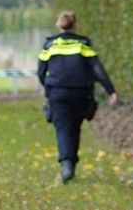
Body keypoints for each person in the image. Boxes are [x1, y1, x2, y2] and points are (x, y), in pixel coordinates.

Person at [37, 10, 118, 182]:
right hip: (81, 94)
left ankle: (66, 164)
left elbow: (40, 72)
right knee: (75, 128)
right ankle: (71, 165)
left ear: (59, 24)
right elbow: (98, 70)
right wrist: (110, 90)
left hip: (58, 93)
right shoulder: (83, 44)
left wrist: (47, 89)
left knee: (63, 129)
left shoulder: (50, 45)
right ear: (75, 25)